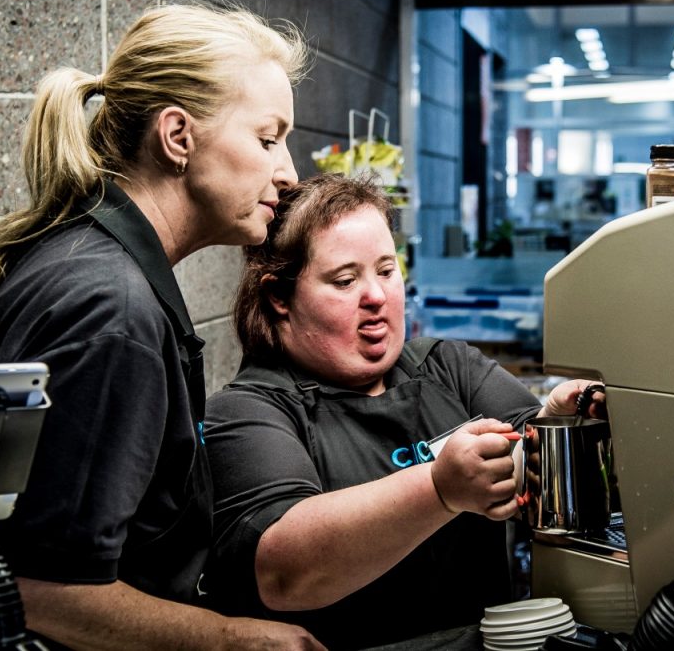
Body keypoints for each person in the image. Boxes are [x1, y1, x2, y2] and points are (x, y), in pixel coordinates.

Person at [0, 4, 325, 650]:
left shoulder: (85, 260)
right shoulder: (112, 310)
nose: (289, 173)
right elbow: (46, 590)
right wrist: (236, 639)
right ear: (178, 136)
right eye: (268, 138)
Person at [202, 173, 604, 650]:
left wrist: (555, 426)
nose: (376, 296)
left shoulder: (448, 368)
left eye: (386, 270)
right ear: (279, 298)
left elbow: (530, 468)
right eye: (345, 280)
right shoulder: (247, 413)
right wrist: (439, 488)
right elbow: (285, 573)